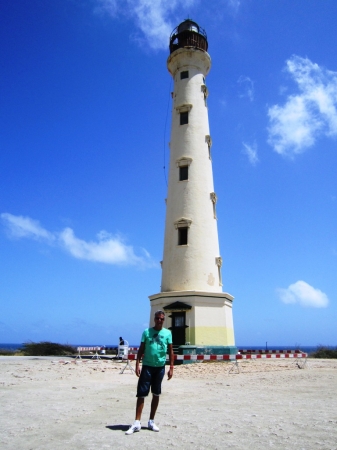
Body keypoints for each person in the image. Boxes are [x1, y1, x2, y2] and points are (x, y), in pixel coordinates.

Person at [125, 310, 174, 435]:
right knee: (141, 394)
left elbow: (171, 351)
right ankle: (137, 422)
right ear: (154, 319)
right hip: (147, 366)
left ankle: (151, 421)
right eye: (157, 318)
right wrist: (137, 364)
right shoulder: (146, 332)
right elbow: (141, 349)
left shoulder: (168, 333)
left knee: (156, 393)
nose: (159, 320)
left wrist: (171, 367)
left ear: (164, 320)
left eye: (162, 319)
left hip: (160, 367)